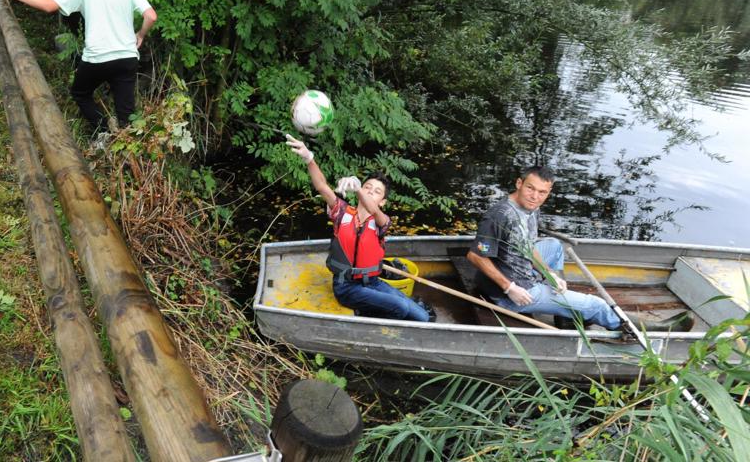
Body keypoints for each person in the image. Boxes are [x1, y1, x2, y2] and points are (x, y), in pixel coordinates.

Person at [466, 166, 692, 331]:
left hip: (521, 271)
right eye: (530, 189)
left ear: (549, 191)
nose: (535, 196)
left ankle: (564, 314)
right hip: (511, 294)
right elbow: (475, 256)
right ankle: (657, 328)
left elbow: (527, 245)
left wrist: (549, 274)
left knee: (553, 246)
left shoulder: (531, 208)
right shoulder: (499, 215)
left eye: (542, 192)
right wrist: (509, 288)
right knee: (597, 305)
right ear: (519, 184)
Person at [0, 0, 157, 135]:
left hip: (97, 58)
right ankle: (127, 150)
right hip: (127, 56)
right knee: (127, 115)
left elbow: (48, 6)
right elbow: (151, 16)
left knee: (80, 93)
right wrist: (140, 35)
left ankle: (103, 131)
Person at [285, 134, 431, 322]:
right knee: (400, 307)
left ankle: (374, 308)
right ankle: (368, 315)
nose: (370, 191)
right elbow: (322, 187)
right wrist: (309, 158)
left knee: (423, 317)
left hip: (373, 282)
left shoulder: (381, 221)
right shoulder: (342, 213)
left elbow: (371, 207)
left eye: (377, 191)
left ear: (383, 201)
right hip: (347, 287)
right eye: (368, 187)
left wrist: (359, 189)